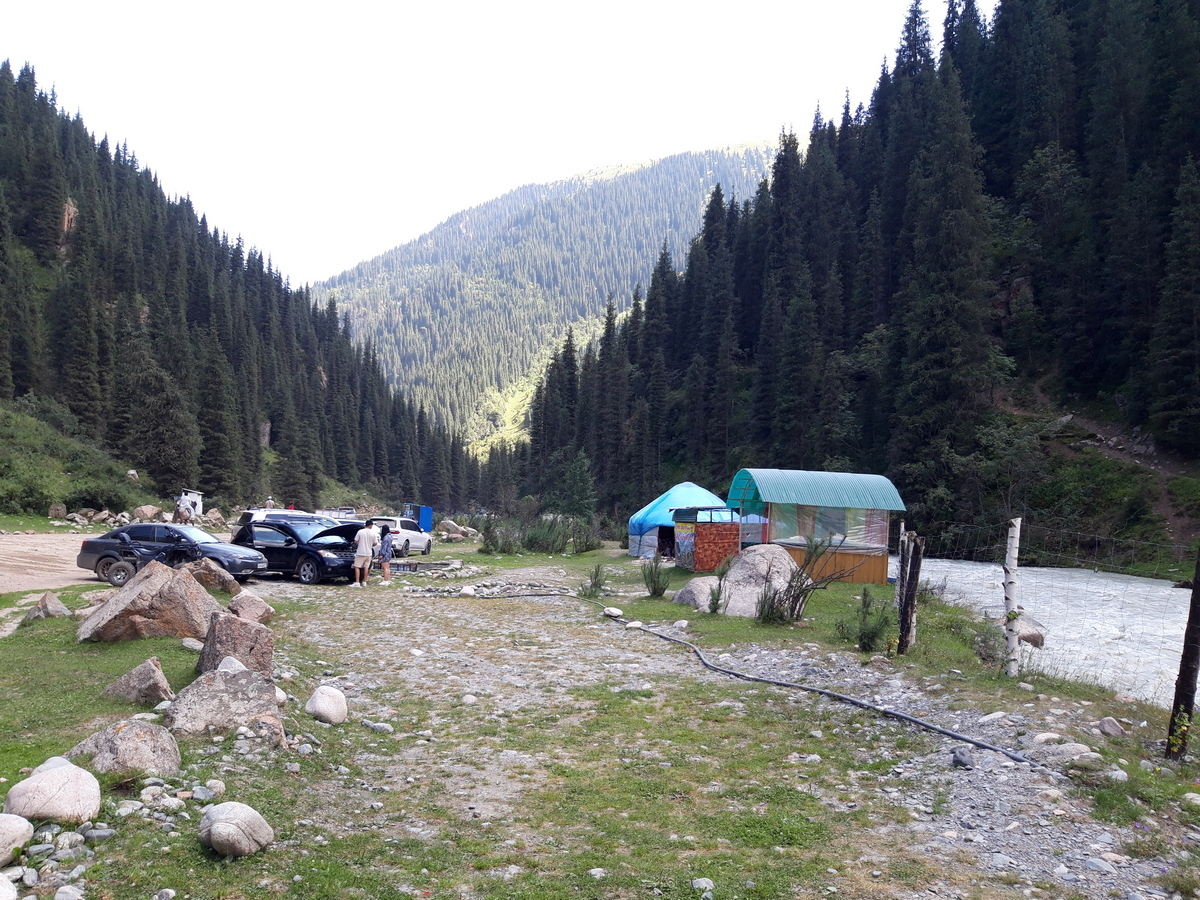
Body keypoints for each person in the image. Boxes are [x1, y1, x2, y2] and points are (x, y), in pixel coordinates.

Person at [351, 520, 379, 587]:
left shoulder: (360, 532)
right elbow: (375, 543)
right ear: (371, 525)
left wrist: (359, 544)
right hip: (369, 553)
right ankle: (364, 581)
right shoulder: (373, 533)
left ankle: (357, 582)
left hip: (360, 552)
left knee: (357, 567)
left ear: (365, 525)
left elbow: (355, 541)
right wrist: (370, 545)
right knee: (366, 567)